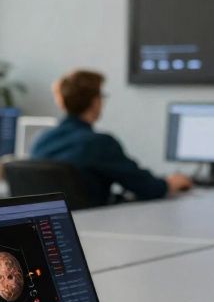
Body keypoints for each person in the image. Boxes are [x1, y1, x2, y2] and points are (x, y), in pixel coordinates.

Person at [29, 69, 191, 206]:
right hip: (97, 225)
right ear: (95, 102)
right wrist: (172, 182)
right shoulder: (99, 143)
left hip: (58, 230)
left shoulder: (41, 140)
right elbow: (146, 187)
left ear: (62, 102)